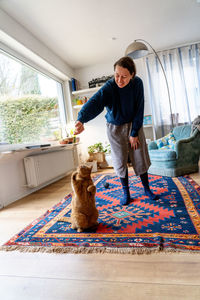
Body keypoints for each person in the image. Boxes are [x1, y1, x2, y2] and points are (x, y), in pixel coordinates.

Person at [74, 56, 159, 205]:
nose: (119, 80)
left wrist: (134, 133)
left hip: (134, 124)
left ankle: (147, 189)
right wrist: (81, 119)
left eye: (124, 76)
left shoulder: (137, 83)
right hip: (115, 128)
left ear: (132, 75)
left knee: (140, 157)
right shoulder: (109, 86)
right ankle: (126, 193)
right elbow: (95, 102)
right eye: (116, 75)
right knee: (119, 160)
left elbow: (140, 108)